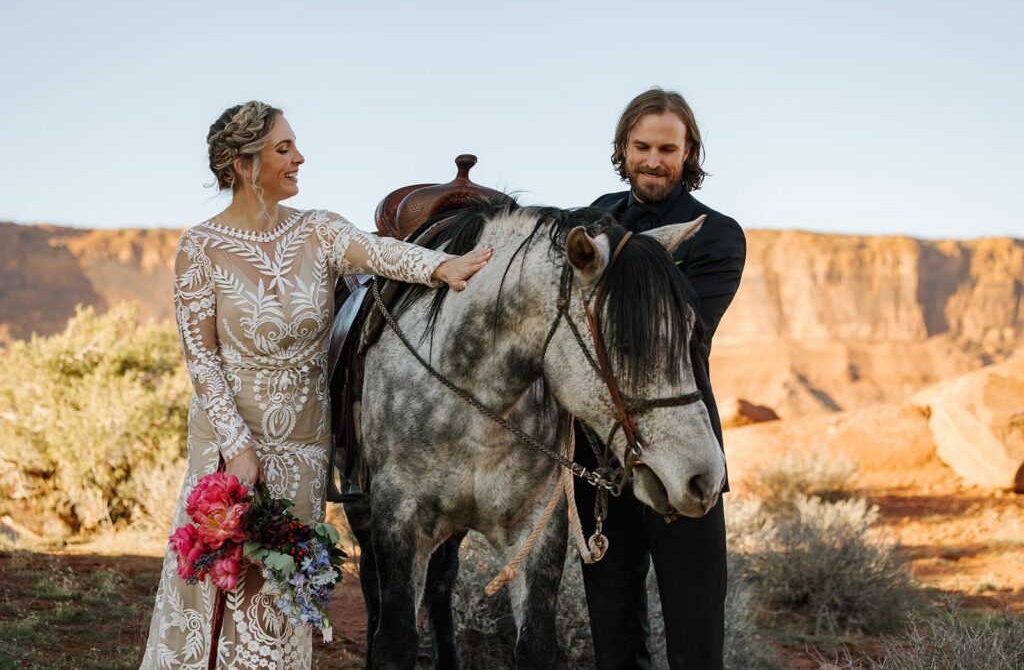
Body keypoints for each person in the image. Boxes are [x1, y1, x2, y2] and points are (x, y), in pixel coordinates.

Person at [139, 100, 491, 669]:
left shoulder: (321, 230)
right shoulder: (199, 248)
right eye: (284, 148)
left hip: (301, 452)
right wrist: (237, 448)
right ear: (242, 164)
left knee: (281, 598)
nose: (300, 157)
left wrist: (442, 267)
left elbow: (384, 254)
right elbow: (201, 359)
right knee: (222, 588)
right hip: (229, 452)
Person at [574, 88, 746, 669]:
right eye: (641, 146)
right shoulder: (591, 217)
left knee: (696, 640)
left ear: (688, 151)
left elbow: (677, 330)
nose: (653, 159)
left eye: (667, 148)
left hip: (683, 456)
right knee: (613, 638)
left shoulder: (717, 235)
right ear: (623, 148)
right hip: (598, 459)